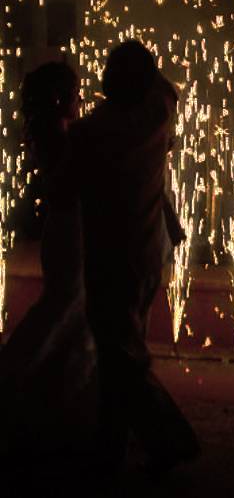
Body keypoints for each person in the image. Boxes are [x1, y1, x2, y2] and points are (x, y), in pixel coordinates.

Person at [68, 40, 200, 476]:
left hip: (113, 259)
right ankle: (114, 442)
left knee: (120, 357)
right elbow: (167, 88)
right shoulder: (156, 115)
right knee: (123, 350)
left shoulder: (96, 131)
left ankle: (168, 440)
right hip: (147, 255)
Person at [0, 62, 99, 490]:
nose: (81, 96)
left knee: (71, 313)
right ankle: (11, 377)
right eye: (76, 90)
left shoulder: (54, 130)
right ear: (62, 94)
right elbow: (72, 185)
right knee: (62, 309)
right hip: (70, 231)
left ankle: (59, 407)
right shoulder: (62, 136)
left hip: (66, 230)